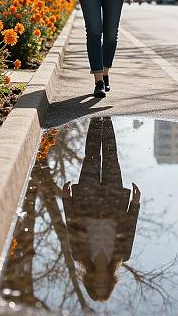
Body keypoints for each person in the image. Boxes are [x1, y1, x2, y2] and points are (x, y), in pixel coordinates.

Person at [62, 117, 141, 301]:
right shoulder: (123, 255)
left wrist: (66, 200)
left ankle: (96, 119)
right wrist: (135, 203)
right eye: (104, 287)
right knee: (111, 156)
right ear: (110, 283)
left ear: (89, 283)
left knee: (91, 155)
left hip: (86, 199)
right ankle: (107, 118)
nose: (100, 283)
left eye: (96, 286)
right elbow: (130, 227)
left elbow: (71, 225)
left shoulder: (79, 254)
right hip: (113, 201)